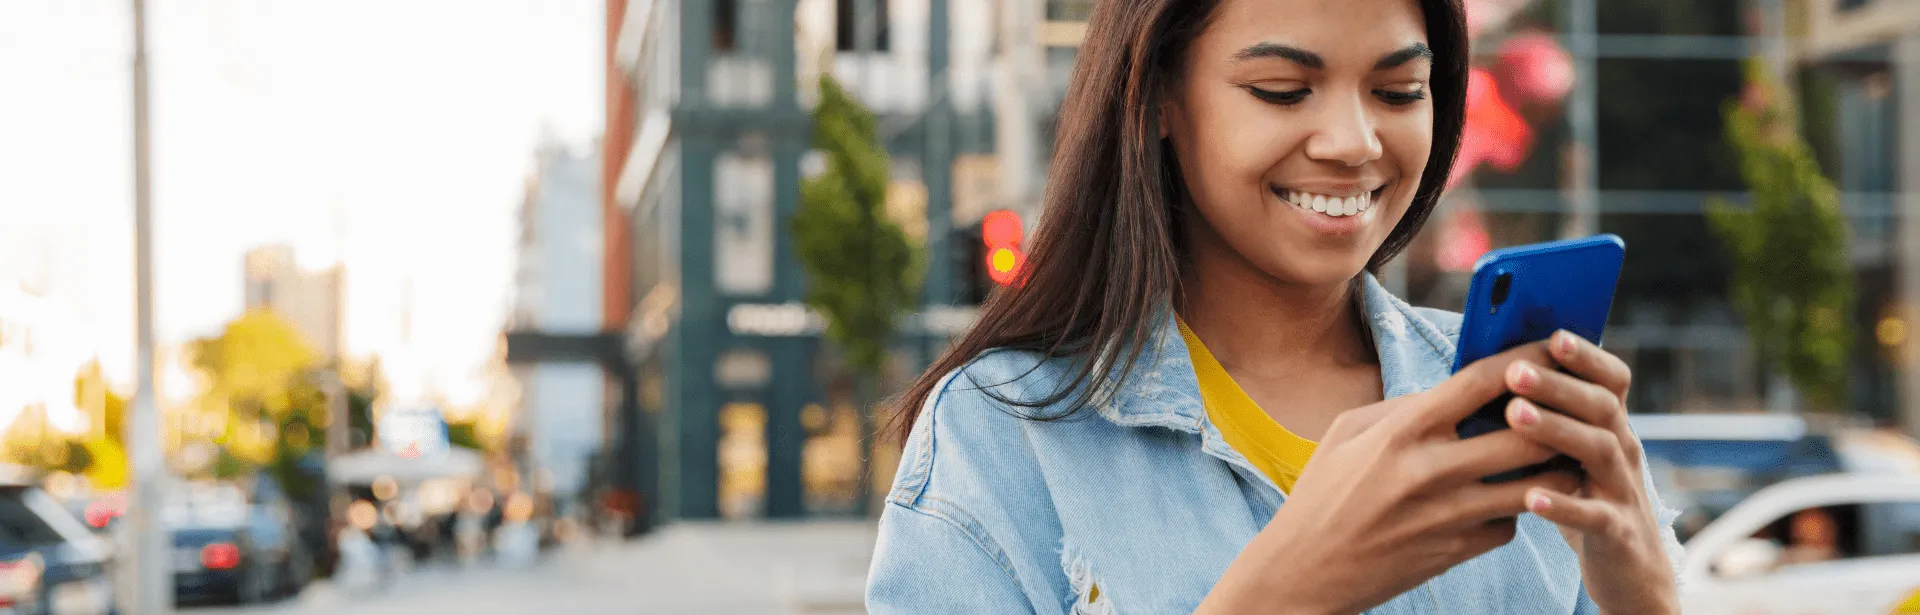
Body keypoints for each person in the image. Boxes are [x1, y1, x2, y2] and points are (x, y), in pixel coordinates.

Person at [864, 0, 1685, 613]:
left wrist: (1646, 591)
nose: (1355, 141)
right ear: (1156, 99)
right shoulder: (1000, 434)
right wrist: (1278, 593)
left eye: (1399, 91)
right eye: (1284, 90)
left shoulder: (1516, 407)